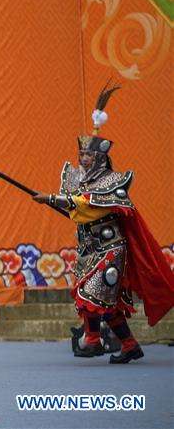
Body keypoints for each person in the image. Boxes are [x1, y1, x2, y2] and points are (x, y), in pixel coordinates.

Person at [31, 83, 174, 364]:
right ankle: (129, 345)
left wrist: (52, 198)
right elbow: (78, 210)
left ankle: (93, 341)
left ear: (99, 157)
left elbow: (87, 204)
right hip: (89, 249)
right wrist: (56, 201)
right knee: (100, 299)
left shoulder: (112, 181)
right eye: (81, 154)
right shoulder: (77, 180)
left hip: (111, 248)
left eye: (88, 155)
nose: (83, 159)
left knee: (93, 293)